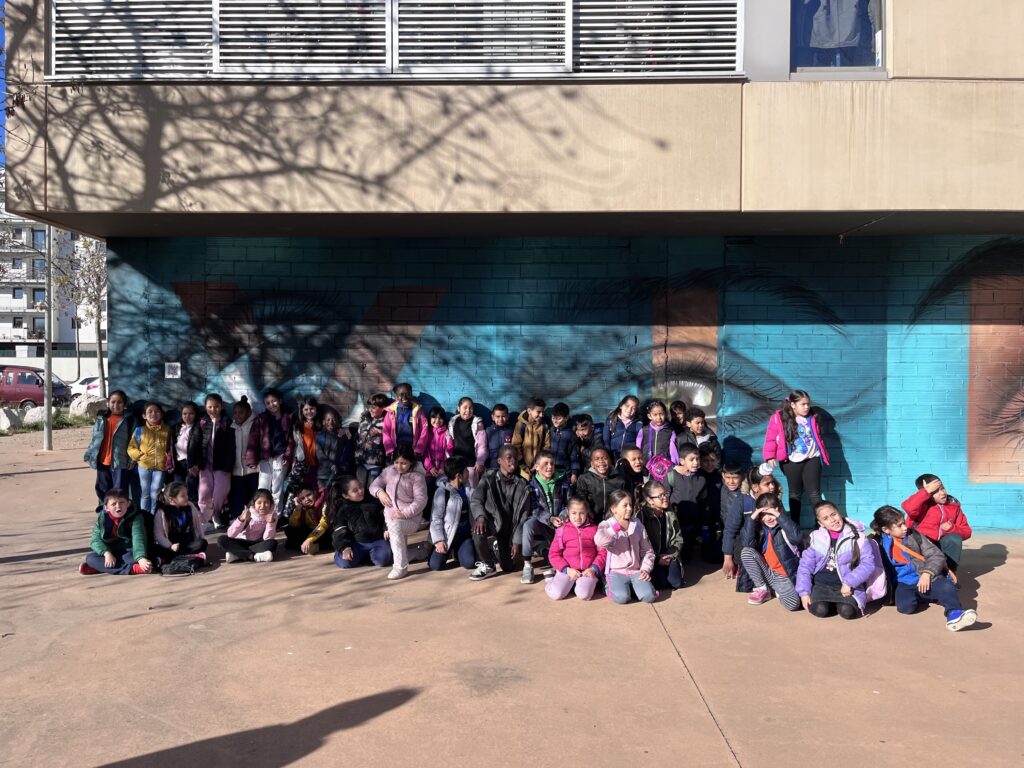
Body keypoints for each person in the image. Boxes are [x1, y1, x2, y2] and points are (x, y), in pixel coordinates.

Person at [871, 505, 978, 632]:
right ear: (886, 529)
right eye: (899, 526)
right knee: (905, 608)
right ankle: (928, 595)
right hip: (903, 583)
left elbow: (936, 555)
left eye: (904, 523)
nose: (905, 528)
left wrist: (927, 573)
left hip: (925, 576)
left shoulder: (914, 535)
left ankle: (955, 614)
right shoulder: (877, 542)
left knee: (947, 587)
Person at [796, 502, 885, 619]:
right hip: (822, 584)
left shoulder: (857, 536)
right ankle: (829, 603)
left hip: (847, 585)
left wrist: (849, 583)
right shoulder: (816, 538)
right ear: (820, 523)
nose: (832, 520)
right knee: (819, 610)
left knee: (848, 612)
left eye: (833, 514)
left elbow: (868, 564)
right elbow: (805, 566)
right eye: (826, 518)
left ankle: (839, 603)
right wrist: (804, 592)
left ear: (840, 513)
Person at [762, 389, 830, 522]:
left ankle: (821, 524)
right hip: (791, 461)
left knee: (814, 493)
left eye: (808, 404)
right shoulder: (779, 418)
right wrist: (770, 456)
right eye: (803, 404)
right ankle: (794, 526)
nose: (806, 407)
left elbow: (818, 438)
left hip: (812, 458)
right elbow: (771, 438)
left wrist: (823, 453)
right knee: (795, 493)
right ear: (793, 404)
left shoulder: (813, 417)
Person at [468, 445, 533, 580]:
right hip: (491, 522)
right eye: (509, 458)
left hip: (508, 529)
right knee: (478, 530)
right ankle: (488, 564)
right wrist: (480, 517)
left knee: (508, 567)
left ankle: (498, 546)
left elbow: (522, 517)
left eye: (515, 458)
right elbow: (476, 499)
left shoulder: (523, 485)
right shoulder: (488, 477)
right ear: (499, 461)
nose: (513, 461)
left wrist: (516, 541)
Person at [369, 444, 427, 580]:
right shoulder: (389, 471)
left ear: (411, 462)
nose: (399, 466)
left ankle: (400, 568)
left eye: (404, 463)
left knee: (395, 528)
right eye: (396, 462)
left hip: (411, 520)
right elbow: (373, 486)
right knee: (395, 549)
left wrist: (405, 513)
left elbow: (421, 501)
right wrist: (380, 492)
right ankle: (419, 552)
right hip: (391, 518)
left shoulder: (417, 477)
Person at [739, 493, 803, 610]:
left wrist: (779, 516)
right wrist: (752, 518)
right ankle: (762, 588)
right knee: (746, 551)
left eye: (771, 513)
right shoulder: (760, 528)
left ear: (778, 510)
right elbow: (747, 543)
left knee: (793, 604)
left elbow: (797, 538)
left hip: (785, 576)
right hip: (768, 571)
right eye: (763, 515)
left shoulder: (786, 526)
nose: (768, 518)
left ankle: (773, 589)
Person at [595, 490, 656, 604]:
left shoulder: (637, 524)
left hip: (636, 571)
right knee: (622, 598)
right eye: (625, 505)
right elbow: (599, 541)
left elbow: (648, 550)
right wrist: (615, 528)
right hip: (615, 572)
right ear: (614, 509)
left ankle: (633, 588)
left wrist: (645, 569)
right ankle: (607, 585)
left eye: (630, 505)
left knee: (649, 597)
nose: (629, 508)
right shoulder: (606, 524)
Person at [901, 474, 972, 573]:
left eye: (942, 488)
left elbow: (967, 531)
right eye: (935, 491)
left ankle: (949, 573)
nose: (942, 493)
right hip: (922, 545)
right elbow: (908, 507)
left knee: (954, 539)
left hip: (941, 545)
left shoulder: (953, 505)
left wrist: (952, 529)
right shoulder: (921, 505)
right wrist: (925, 492)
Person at [78, 489, 153, 575]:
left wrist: (141, 558)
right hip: (111, 551)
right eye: (113, 504)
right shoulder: (102, 519)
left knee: (131, 558)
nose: (118, 506)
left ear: (128, 504)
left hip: (130, 550)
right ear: (106, 507)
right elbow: (95, 540)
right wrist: (106, 553)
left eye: (122, 502)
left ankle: (98, 568)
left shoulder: (136, 517)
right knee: (90, 558)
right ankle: (132, 569)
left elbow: (138, 538)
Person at [521, 452, 570, 584]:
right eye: (545, 464)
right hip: (542, 521)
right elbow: (534, 508)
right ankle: (527, 565)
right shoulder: (531, 485)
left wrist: (562, 516)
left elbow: (569, 503)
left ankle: (553, 560)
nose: (549, 467)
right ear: (536, 467)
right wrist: (550, 519)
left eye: (552, 464)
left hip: (560, 521)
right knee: (528, 525)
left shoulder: (563, 481)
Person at [545, 497, 606, 601]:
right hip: (568, 570)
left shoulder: (595, 529)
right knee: (556, 595)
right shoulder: (562, 530)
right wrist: (566, 569)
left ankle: (577, 584)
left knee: (584, 595)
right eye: (574, 513)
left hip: (587, 571)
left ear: (587, 512)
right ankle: (551, 579)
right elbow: (553, 554)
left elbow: (603, 552)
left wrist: (594, 568)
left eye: (582, 513)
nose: (577, 517)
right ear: (568, 512)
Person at [245, 387, 293, 512]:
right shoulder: (262, 419)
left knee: (277, 488)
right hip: (265, 458)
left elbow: (291, 439)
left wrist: (288, 456)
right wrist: (251, 459)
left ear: (280, 401)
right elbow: (253, 439)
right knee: (263, 486)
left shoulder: (288, 418)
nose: (272, 405)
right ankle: (259, 514)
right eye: (268, 403)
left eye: (274, 401)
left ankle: (275, 515)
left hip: (281, 457)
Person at [83, 390, 135, 502]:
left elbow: (135, 442)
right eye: (113, 402)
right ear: (108, 403)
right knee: (102, 490)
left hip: (120, 462)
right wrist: (89, 454)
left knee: (119, 493)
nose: (116, 405)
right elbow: (95, 438)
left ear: (124, 404)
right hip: (102, 461)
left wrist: (132, 460)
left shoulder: (129, 420)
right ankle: (104, 511)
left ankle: (119, 512)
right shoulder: (102, 418)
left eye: (119, 402)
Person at [428, 458, 477, 572]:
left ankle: (459, 552)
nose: (468, 472)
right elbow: (436, 518)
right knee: (435, 565)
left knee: (469, 562)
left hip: (464, 535)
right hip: (447, 536)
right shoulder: (442, 492)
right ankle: (447, 551)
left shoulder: (469, 490)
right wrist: (439, 540)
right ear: (459, 476)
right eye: (466, 471)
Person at [332, 476, 392, 570]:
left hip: (377, 540)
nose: (360, 491)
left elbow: (386, 515)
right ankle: (360, 555)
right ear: (346, 495)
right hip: (357, 544)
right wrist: (345, 547)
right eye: (355, 491)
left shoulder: (373, 501)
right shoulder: (343, 510)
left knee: (383, 559)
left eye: (360, 487)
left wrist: (386, 528)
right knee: (345, 563)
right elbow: (340, 531)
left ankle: (368, 556)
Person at [195, 393, 235, 528]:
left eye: (216, 406)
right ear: (205, 407)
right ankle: (205, 518)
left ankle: (215, 513)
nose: (213, 410)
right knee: (204, 491)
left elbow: (232, 446)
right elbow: (194, 443)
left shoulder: (227, 422)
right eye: (210, 407)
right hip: (205, 463)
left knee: (221, 490)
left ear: (222, 406)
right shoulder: (201, 422)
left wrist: (229, 464)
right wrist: (194, 463)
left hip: (222, 464)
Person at [126, 401, 172, 515]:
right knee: (145, 494)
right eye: (150, 412)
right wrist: (140, 456)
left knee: (156, 493)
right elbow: (131, 448)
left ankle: (153, 516)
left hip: (160, 467)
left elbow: (169, 447)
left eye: (157, 411)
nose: (153, 414)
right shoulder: (139, 430)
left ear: (162, 414)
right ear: (144, 416)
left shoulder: (167, 430)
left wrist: (167, 458)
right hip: (144, 467)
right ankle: (144, 516)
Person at [152, 481, 208, 567]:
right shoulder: (161, 512)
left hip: (187, 545)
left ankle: (177, 558)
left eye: (186, 494)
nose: (187, 497)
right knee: (154, 548)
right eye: (183, 496)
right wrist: (170, 546)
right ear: (172, 499)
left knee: (202, 543)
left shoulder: (190, 507)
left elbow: (200, 523)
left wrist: (209, 506)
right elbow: (159, 535)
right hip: (170, 546)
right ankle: (188, 557)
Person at [640, 479, 684, 590]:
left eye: (665, 494)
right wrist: (656, 559)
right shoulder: (642, 516)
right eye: (660, 496)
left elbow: (678, 538)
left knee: (676, 583)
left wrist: (671, 555)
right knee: (661, 584)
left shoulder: (670, 512)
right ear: (650, 500)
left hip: (668, 555)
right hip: (651, 557)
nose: (665, 497)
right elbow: (640, 545)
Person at [669, 443, 707, 563]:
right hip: (675, 521)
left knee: (687, 556)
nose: (695, 462)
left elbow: (702, 500)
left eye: (697, 459)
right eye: (691, 460)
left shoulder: (702, 478)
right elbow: (666, 495)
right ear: (682, 461)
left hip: (692, 522)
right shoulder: (672, 476)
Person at [720, 462, 755, 590]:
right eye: (728, 477)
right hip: (729, 531)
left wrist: (728, 557)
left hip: (742, 534)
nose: (731, 481)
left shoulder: (745, 495)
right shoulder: (723, 489)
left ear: (743, 477)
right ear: (723, 476)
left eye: (735, 478)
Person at [219, 488, 278, 563]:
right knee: (221, 539)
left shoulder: (273, 515)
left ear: (271, 504)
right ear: (254, 504)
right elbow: (231, 534)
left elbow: (267, 538)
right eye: (259, 503)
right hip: (242, 542)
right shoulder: (248, 513)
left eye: (266, 502)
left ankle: (238, 555)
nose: (262, 506)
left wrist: (271, 523)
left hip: (258, 543)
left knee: (272, 543)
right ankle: (253, 556)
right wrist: (241, 520)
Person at [229, 396, 259, 523]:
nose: (237, 415)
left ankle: (255, 519)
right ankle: (237, 519)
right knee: (238, 495)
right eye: (235, 412)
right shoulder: (232, 427)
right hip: (237, 470)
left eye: (241, 412)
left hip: (253, 469)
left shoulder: (255, 424)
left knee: (254, 495)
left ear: (248, 412)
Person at [381, 382, 429, 461]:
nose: (405, 397)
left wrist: (419, 448)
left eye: (408, 394)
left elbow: (424, 429)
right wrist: (390, 448)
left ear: (411, 394)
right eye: (401, 394)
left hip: (413, 450)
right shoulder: (391, 411)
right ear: (396, 397)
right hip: (396, 450)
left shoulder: (417, 410)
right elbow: (386, 431)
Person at [447, 397, 487, 488]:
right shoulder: (453, 422)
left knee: (471, 488)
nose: (468, 411)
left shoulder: (477, 424)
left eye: (470, 408)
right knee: (455, 488)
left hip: (471, 463)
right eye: (465, 408)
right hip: (456, 463)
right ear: (458, 408)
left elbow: (482, 444)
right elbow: (449, 442)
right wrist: (448, 459)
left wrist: (480, 461)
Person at [575, 448, 623, 522]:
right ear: (592, 464)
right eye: (596, 459)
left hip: (613, 519)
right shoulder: (585, 478)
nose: (601, 461)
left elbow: (623, 499)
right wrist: (588, 511)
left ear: (610, 461)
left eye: (605, 458)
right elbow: (581, 497)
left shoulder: (619, 479)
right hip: (591, 518)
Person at [423, 406, 452, 519]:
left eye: (440, 418)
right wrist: (430, 467)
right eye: (434, 417)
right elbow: (424, 452)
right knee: (428, 489)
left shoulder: (447, 433)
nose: (437, 420)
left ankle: (440, 516)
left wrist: (443, 467)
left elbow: (449, 451)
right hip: (429, 471)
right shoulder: (426, 432)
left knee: (442, 492)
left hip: (443, 470)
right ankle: (427, 517)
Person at [284, 486, 332, 555]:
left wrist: (309, 539)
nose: (307, 499)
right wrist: (298, 508)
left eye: (309, 495)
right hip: (311, 530)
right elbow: (293, 524)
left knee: (331, 539)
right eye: (302, 498)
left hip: (325, 531)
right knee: (289, 530)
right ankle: (307, 546)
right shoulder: (303, 507)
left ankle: (316, 546)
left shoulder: (324, 503)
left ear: (314, 493)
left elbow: (323, 524)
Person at [356, 393, 389, 490]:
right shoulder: (364, 421)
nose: (370, 409)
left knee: (373, 491)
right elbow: (358, 438)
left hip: (375, 464)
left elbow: (389, 445)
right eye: (369, 406)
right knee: (360, 490)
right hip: (360, 462)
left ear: (383, 408)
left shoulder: (386, 423)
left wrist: (387, 465)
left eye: (374, 407)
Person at [170, 401, 202, 504]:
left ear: (196, 414)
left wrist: (197, 464)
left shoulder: (197, 428)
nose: (187, 416)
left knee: (191, 490)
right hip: (179, 464)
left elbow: (201, 448)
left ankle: (192, 510)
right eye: (185, 414)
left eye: (191, 414)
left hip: (191, 464)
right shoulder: (176, 428)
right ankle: (179, 509)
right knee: (178, 489)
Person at [512, 397, 550, 478]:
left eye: (542, 412)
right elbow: (516, 446)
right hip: (522, 468)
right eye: (538, 412)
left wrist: (538, 464)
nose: (541, 415)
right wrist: (523, 466)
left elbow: (546, 447)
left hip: (539, 468)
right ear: (529, 411)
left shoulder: (544, 426)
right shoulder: (520, 425)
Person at [636, 399, 679, 467]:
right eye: (655, 415)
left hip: (664, 468)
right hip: (646, 467)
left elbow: (673, 452)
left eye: (661, 414)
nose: (659, 417)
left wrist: (674, 466)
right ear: (649, 416)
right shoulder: (644, 431)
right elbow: (638, 449)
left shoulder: (670, 432)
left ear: (665, 414)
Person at [291, 395, 321, 488]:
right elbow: (296, 445)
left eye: (312, 409)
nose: (309, 412)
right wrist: (294, 462)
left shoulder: (321, 425)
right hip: (303, 464)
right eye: (306, 409)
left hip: (318, 462)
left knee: (315, 488)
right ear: (302, 411)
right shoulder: (298, 426)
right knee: (300, 488)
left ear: (316, 409)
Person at [604, 395, 641, 461]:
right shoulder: (611, 420)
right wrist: (608, 456)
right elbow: (606, 440)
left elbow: (639, 442)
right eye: (627, 406)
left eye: (633, 408)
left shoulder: (638, 424)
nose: (629, 410)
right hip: (613, 456)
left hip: (629, 458)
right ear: (621, 406)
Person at [571, 413, 605, 477]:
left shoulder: (598, 437)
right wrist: (575, 434)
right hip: (584, 466)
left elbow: (597, 455)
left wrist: (584, 450)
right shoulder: (580, 435)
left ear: (592, 427)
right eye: (579, 430)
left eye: (583, 429)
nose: (581, 433)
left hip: (594, 468)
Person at [548, 402, 575, 481]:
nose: (555, 421)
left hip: (565, 470)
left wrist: (574, 473)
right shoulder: (550, 431)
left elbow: (574, 454)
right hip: (549, 468)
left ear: (566, 418)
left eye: (559, 418)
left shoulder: (570, 434)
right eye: (553, 418)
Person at [485, 403, 515, 470]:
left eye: (503, 416)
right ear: (493, 417)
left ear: (508, 416)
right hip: (493, 465)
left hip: (507, 465)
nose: (501, 419)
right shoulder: (488, 431)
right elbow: (485, 448)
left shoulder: (511, 431)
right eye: (498, 416)